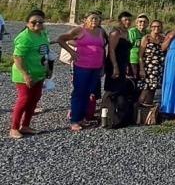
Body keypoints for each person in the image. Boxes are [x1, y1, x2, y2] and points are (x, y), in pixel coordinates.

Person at [58, 11, 107, 131]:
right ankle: (74, 120)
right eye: (92, 18)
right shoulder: (80, 30)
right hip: (82, 67)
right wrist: (71, 52)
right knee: (79, 92)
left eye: (96, 18)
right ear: (86, 20)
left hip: (96, 67)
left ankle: (82, 118)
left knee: (88, 93)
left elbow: (103, 47)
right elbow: (61, 39)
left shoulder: (101, 31)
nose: (94, 20)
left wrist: (103, 65)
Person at [9, 10, 51, 139]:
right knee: (24, 100)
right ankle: (14, 128)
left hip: (39, 73)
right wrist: (26, 74)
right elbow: (17, 57)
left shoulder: (43, 34)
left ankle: (25, 125)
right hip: (25, 75)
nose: (37, 24)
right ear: (27, 23)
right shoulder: (25, 37)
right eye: (33, 22)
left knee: (35, 99)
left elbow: (44, 52)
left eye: (40, 22)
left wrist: (48, 68)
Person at [104, 11, 135, 98]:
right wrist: (115, 66)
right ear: (120, 21)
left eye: (129, 20)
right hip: (114, 63)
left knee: (120, 88)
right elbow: (111, 50)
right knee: (112, 89)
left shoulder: (127, 32)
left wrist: (127, 64)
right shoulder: (116, 32)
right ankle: (105, 104)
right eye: (125, 20)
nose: (128, 22)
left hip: (123, 63)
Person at [138, 20, 165, 104]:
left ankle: (147, 108)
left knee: (153, 89)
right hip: (148, 68)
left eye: (158, 26)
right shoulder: (146, 38)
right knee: (145, 89)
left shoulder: (163, 38)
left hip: (159, 68)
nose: (156, 28)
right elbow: (140, 55)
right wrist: (141, 69)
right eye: (154, 26)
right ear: (150, 28)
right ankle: (138, 108)